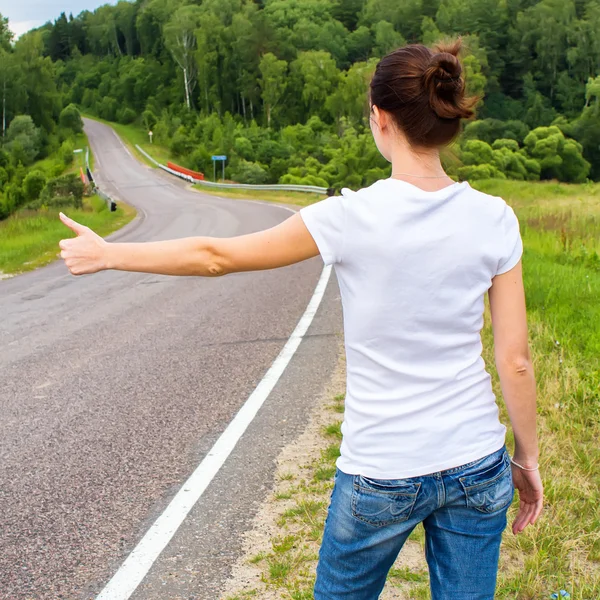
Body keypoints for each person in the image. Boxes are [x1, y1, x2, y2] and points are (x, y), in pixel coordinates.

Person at [59, 38, 543, 600]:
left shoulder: (349, 217)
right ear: (446, 119)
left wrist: (111, 253)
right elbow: (515, 360)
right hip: (475, 461)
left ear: (379, 118)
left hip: (379, 470)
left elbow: (217, 256)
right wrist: (526, 458)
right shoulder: (495, 218)